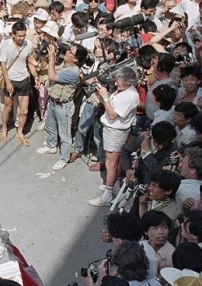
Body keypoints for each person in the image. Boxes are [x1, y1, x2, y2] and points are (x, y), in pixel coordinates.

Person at [89, 67, 141, 207]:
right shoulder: (122, 90)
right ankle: (114, 186)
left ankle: (107, 194)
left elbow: (112, 114)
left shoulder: (130, 96)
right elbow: (108, 105)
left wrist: (105, 96)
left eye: (118, 81)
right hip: (111, 129)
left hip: (116, 131)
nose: (116, 84)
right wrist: (99, 93)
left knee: (110, 163)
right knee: (114, 162)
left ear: (128, 82)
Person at [35, 35, 86, 170]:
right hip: (53, 101)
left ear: (75, 59)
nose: (67, 52)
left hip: (64, 106)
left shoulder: (73, 72)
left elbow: (52, 76)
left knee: (64, 134)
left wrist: (52, 57)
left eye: (70, 52)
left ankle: (64, 158)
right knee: (50, 126)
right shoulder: (65, 64)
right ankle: (51, 145)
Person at [0, 20, 34, 146]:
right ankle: (4, 128)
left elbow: (29, 59)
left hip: (24, 79)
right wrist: (8, 82)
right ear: (13, 34)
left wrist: (34, 73)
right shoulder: (6, 45)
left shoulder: (28, 45)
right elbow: (3, 64)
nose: (22, 38)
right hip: (11, 79)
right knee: (8, 106)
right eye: (19, 35)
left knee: (24, 111)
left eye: (23, 35)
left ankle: (20, 132)